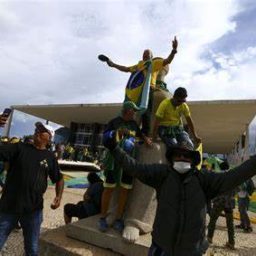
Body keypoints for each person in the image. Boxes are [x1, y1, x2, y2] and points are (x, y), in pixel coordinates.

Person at [103, 131, 256, 256]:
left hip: (192, 251)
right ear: (171, 158)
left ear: (192, 160)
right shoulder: (162, 175)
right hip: (161, 248)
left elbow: (234, 176)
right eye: (178, 155)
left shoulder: (204, 179)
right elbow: (135, 167)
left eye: (186, 155)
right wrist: (114, 148)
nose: (182, 158)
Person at [0, 117, 64, 256]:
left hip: (33, 211)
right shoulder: (19, 148)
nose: (37, 132)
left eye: (42, 131)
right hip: (8, 208)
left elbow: (59, 178)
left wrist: (58, 196)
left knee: (32, 250)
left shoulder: (50, 157)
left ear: (49, 138)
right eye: (37, 129)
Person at [103, 36, 178, 135]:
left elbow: (168, 61)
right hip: (137, 92)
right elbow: (126, 69)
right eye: (143, 55)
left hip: (148, 90)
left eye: (147, 55)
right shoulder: (139, 66)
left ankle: (145, 133)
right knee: (131, 112)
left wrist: (174, 50)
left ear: (151, 57)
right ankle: (127, 129)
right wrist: (113, 64)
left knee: (146, 111)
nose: (144, 56)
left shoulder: (154, 63)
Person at [99, 101, 152, 233]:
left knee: (125, 189)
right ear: (127, 111)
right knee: (108, 189)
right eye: (133, 111)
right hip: (114, 161)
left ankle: (118, 219)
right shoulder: (114, 122)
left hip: (128, 161)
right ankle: (102, 218)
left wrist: (145, 139)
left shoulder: (134, 124)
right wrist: (115, 133)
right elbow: (105, 139)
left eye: (135, 111)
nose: (134, 113)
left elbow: (140, 135)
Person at [207, 161, 236, 250]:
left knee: (213, 220)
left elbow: (213, 187)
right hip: (229, 203)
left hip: (218, 202)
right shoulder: (233, 177)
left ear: (220, 167)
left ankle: (209, 238)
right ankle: (231, 242)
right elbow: (238, 189)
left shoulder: (217, 176)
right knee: (230, 223)